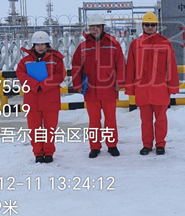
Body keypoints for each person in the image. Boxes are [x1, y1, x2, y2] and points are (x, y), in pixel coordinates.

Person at [125, 12, 179, 155]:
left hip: (160, 89)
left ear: (157, 26)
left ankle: (160, 144)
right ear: (142, 26)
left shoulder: (165, 43)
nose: (150, 27)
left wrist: (173, 87)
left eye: (153, 25)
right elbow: (130, 68)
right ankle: (147, 145)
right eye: (147, 25)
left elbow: (171, 66)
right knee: (145, 120)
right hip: (142, 90)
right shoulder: (135, 45)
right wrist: (130, 89)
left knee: (161, 119)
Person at [71, 14, 125, 158]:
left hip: (109, 88)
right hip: (90, 90)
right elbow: (76, 66)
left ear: (102, 28)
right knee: (94, 121)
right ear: (88, 28)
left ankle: (112, 145)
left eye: (97, 26)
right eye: (92, 27)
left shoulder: (113, 44)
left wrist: (119, 82)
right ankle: (94, 147)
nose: (95, 29)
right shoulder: (83, 47)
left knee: (110, 119)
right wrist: (77, 84)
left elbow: (120, 64)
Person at [15, 31, 66, 163]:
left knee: (50, 129)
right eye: (37, 44)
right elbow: (20, 74)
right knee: (34, 129)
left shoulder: (56, 60)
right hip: (32, 100)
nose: (40, 47)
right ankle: (38, 153)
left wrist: (43, 85)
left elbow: (60, 75)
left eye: (43, 44)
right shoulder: (25, 61)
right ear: (33, 45)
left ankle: (48, 152)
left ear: (47, 45)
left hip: (50, 99)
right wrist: (34, 85)